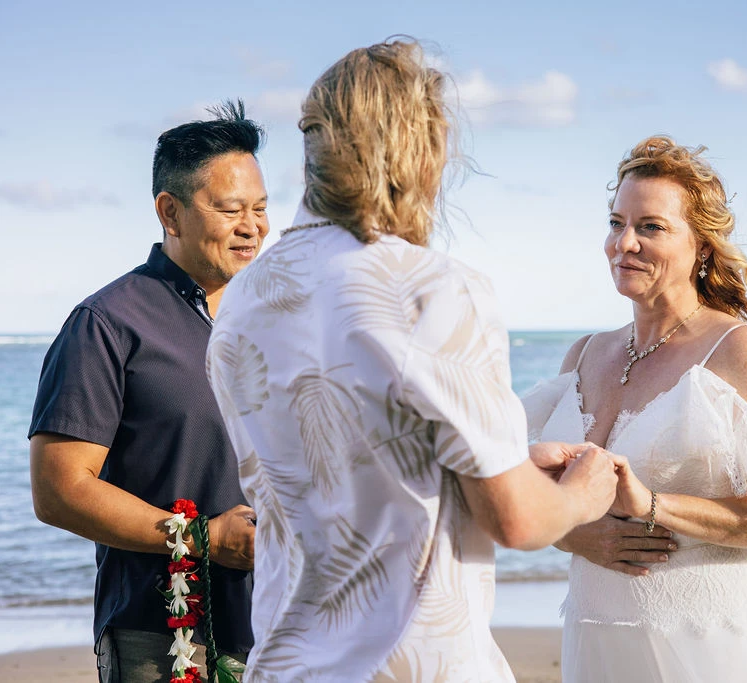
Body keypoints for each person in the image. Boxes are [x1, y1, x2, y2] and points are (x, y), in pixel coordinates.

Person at [205, 39, 619, 682]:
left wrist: (504, 462)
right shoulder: (433, 289)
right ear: (415, 148)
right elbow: (515, 519)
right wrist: (579, 497)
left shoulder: (242, 300)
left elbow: (332, 471)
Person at [522, 135, 747, 682]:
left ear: (702, 247)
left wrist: (652, 504)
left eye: (651, 227)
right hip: (598, 636)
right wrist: (570, 533)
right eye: (617, 222)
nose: (624, 243)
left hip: (711, 642)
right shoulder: (584, 354)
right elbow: (542, 495)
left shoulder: (742, 351)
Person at [29, 101, 268, 683]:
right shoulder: (106, 323)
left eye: (260, 208)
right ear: (170, 212)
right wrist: (204, 539)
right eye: (230, 209)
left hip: (284, 622)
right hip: (161, 636)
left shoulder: (274, 318)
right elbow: (59, 491)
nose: (252, 227)